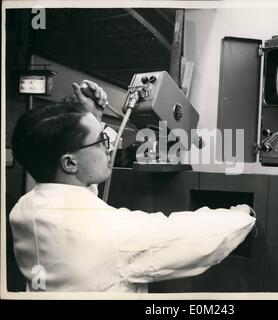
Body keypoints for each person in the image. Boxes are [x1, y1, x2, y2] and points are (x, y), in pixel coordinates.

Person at [9, 80, 256, 292]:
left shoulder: (24, 210)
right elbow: (191, 236)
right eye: (100, 140)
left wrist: (92, 118)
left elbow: (77, 198)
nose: (110, 145)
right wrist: (240, 216)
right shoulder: (114, 235)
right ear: (70, 162)